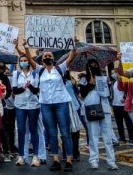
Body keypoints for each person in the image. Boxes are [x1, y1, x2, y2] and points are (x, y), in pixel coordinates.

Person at [24, 38, 78, 172]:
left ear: (53, 59)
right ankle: (55, 160)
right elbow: (30, 60)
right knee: (51, 133)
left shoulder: (60, 68)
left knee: (65, 132)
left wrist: (73, 46)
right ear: (41, 59)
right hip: (46, 104)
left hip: (61, 103)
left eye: (50, 56)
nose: (47, 57)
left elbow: (71, 58)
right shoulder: (40, 70)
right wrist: (25, 47)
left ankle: (69, 160)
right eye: (45, 56)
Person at [78, 59, 118, 170]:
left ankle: (111, 161)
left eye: (95, 64)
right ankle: (94, 160)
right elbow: (82, 94)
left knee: (108, 137)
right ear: (87, 67)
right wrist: (89, 85)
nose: (94, 66)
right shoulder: (83, 79)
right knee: (93, 136)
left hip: (104, 108)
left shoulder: (104, 78)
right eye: (91, 65)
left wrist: (108, 83)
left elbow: (109, 94)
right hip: (91, 108)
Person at [12, 54, 41, 167]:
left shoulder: (35, 73)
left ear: (29, 62)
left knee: (34, 130)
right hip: (20, 105)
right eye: (22, 60)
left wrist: (29, 86)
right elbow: (15, 91)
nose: (24, 62)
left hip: (33, 105)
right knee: (21, 130)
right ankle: (21, 156)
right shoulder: (16, 74)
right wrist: (24, 87)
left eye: (25, 60)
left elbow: (36, 90)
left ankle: (35, 156)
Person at [110, 69, 133, 145]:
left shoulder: (125, 81)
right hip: (116, 105)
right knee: (119, 123)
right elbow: (112, 93)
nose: (113, 75)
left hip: (124, 105)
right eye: (112, 73)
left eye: (115, 73)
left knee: (129, 123)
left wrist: (124, 98)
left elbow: (128, 92)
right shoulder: (113, 83)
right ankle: (122, 138)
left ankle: (132, 139)